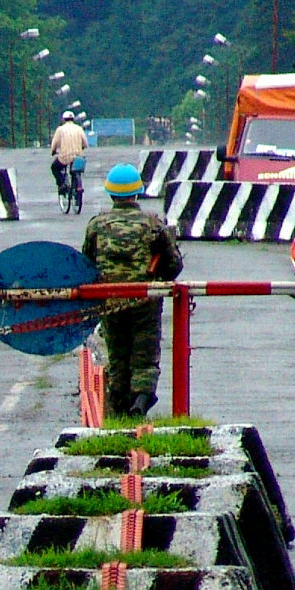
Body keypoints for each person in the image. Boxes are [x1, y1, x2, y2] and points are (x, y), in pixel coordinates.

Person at [82, 164, 183, 417]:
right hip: (145, 300)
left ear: (111, 194)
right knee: (145, 355)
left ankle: (118, 407)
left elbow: (86, 263)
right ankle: (140, 400)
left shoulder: (97, 225)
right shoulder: (153, 224)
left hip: (110, 301)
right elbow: (174, 265)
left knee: (118, 356)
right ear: (137, 193)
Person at [49, 110, 89, 195]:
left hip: (64, 157)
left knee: (55, 168)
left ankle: (62, 184)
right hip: (78, 157)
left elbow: (54, 144)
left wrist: (53, 151)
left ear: (63, 120)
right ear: (73, 119)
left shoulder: (60, 129)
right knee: (76, 170)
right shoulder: (79, 128)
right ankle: (78, 188)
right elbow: (85, 143)